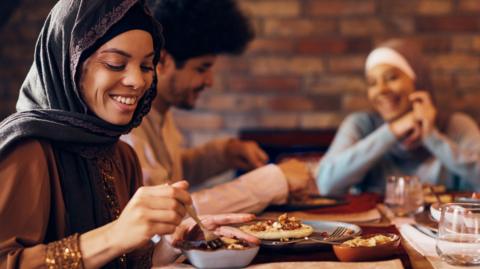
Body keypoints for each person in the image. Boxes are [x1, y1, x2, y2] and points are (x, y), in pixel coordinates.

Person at [0, 1, 257, 268]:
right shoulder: (27, 148)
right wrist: (115, 234)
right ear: (69, 64)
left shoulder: (121, 155)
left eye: (146, 66)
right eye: (115, 64)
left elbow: (125, 260)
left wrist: (172, 244)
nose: (137, 81)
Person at [122, 0, 312, 215]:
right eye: (202, 69)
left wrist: (223, 154)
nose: (210, 81)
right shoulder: (127, 126)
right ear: (162, 60)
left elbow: (167, 176)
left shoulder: (160, 113)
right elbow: (167, 214)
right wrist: (274, 180)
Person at [317, 39, 480, 195]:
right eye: (373, 83)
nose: (381, 90)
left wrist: (431, 137)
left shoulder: (456, 125)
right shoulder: (361, 125)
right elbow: (326, 184)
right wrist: (393, 131)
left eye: (391, 78)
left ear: (417, 81)